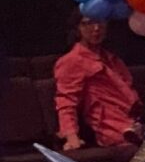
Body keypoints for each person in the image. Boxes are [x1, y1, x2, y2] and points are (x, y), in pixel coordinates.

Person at [53, 15, 139, 154]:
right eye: (88, 23)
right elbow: (66, 101)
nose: (96, 28)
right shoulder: (72, 61)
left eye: (100, 22)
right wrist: (71, 136)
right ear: (77, 29)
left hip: (135, 122)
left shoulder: (112, 58)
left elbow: (130, 91)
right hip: (113, 129)